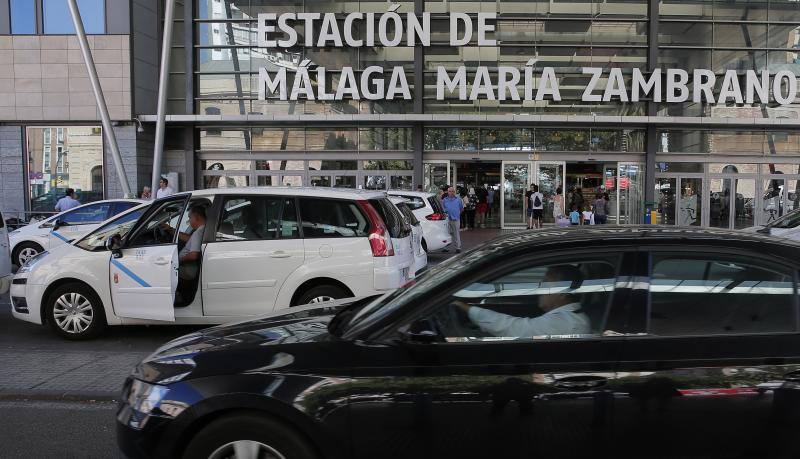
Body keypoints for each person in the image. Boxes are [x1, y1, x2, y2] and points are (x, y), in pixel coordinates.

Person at [454, 264, 591, 337]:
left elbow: (514, 328)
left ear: (563, 292)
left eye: (546, 282)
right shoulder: (569, 317)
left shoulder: (566, 322)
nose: (540, 286)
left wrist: (467, 309)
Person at [442, 186, 463, 253]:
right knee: (446, 233)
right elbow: (443, 209)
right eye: (450, 191)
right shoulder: (444, 200)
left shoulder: (458, 199)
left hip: (455, 219)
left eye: (453, 191)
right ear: (447, 192)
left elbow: (461, 209)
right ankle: (445, 247)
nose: (451, 193)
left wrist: (457, 214)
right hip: (447, 219)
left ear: (455, 192)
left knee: (456, 233)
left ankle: (458, 247)